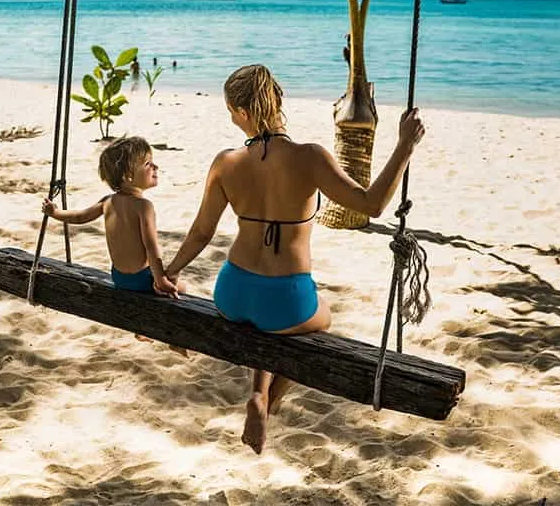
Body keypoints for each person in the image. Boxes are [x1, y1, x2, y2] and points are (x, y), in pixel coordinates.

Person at [163, 64, 426, 454]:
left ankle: (257, 390)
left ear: (243, 113)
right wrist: (405, 145)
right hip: (286, 299)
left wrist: (170, 271)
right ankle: (265, 404)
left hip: (231, 292)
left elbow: (202, 231)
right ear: (279, 101)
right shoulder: (311, 158)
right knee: (320, 318)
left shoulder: (226, 161)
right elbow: (372, 204)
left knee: (266, 322)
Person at [42, 136, 187, 355]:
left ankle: (142, 329)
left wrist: (55, 213)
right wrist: (161, 280)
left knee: (157, 289)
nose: (155, 166)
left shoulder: (108, 201)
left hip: (119, 278)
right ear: (128, 176)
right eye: (148, 164)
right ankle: (175, 339)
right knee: (180, 289)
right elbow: (151, 246)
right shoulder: (144, 206)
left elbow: (80, 217)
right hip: (142, 278)